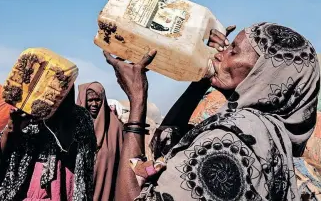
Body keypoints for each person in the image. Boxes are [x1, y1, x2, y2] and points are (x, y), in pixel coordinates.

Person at [104, 22, 320, 201]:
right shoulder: (268, 132)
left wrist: (138, 101)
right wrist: (202, 80)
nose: (220, 54)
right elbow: (166, 147)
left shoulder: (233, 140)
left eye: (232, 51)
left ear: (262, 76)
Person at [0, 85, 97, 201]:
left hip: (65, 184)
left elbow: (84, 155)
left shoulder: (80, 117)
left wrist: (58, 119)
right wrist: (13, 128)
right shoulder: (27, 114)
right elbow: (1, 157)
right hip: (31, 189)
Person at [76, 82, 123, 201]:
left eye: (98, 100)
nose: (94, 104)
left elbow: (121, 162)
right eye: (90, 100)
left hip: (103, 187)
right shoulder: (73, 125)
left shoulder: (115, 127)